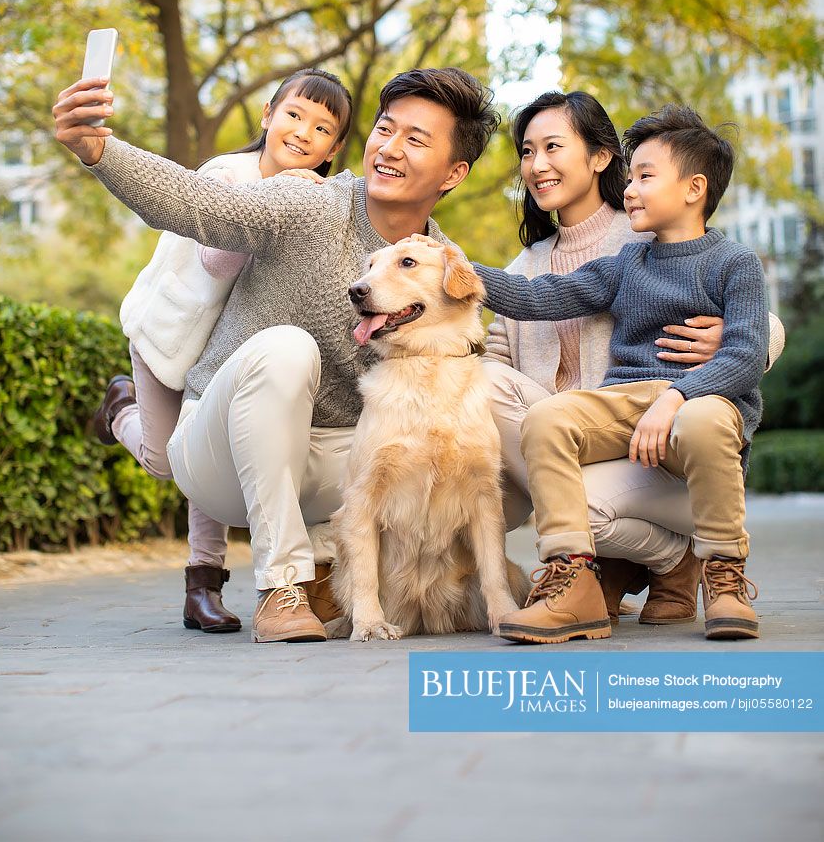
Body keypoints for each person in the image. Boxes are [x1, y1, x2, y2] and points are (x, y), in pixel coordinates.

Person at [52, 66, 499, 643]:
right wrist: (100, 151)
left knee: (495, 424)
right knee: (289, 349)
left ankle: (471, 584)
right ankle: (283, 585)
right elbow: (201, 207)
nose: (389, 149)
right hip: (220, 453)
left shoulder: (440, 263)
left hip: (333, 463)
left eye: (416, 140)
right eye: (385, 129)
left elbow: (480, 344)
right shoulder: (309, 200)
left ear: (454, 172)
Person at [483, 91, 783, 625]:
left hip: (700, 408)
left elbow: (745, 352)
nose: (631, 188)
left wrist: (677, 393)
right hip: (627, 405)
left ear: (694, 189)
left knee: (707, 416)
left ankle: (723, 576)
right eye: (632, 178)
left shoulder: (734, 262)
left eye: (644, 177)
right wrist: (450, 265)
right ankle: (571, 577)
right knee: (548, 416)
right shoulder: (628, 261)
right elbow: (538, 297)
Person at [90, 69, 353, 634]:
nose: (303, 133)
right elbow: (215, 257)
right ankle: (121, 409)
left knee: (220, 445)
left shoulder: (320, 204)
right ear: (267, 116)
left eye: (322, 128)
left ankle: (202, 585)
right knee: (165, 461)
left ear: (334, 149)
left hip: (221, 353)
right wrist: (280, 196)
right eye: (294, 115)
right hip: (169, 339)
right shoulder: (228, 173)